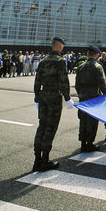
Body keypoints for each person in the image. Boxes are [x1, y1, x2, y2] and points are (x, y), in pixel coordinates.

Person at [33, 37, 74, 172]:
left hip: (44, 96)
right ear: (60, 46)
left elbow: (37, 81)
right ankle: (45, 160)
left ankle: (37, 160)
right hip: (54, 97)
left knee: (42, 127)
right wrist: (67, 98)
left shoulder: (43, 61)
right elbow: (64, 81)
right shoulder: (60, 61)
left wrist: (37, 96)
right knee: (51, 127)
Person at [75, 45, 106, 152]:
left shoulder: (81, 66)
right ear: (97, 54)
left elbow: (77, 84)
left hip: (83, 97)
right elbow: (102, 83)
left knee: (83, 121)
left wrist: (81, 93)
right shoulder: (97, 66)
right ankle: (89, 143)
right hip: (94, 97)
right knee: (92, 121)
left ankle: (83, 143)